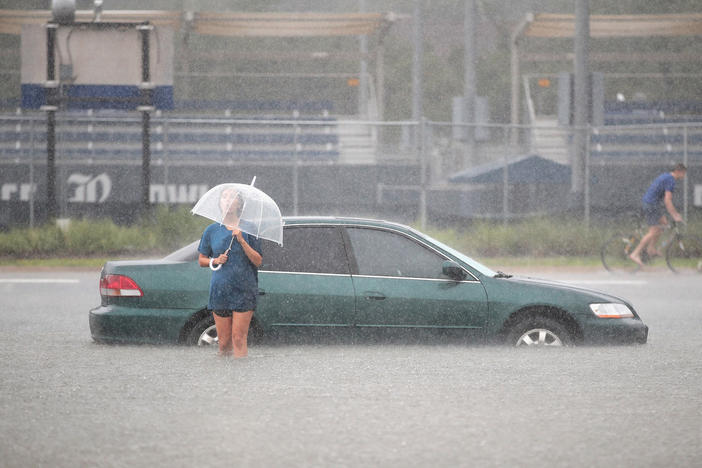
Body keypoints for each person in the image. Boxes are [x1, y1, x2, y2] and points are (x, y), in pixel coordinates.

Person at [197, 188, 262, 357]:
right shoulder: (212, 230)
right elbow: (201, 260)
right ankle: (224, 380)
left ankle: (241, 379)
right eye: (224, 197)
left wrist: (242, 240)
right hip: (220, 291)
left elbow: (258, 261)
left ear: (239, 203)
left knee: (239, 339)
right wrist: (215, 261)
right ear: (220, 203)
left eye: (232, 197)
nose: (227, 200)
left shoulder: (250, 228)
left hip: (244, 290)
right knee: (224, 343)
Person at [629, 163, 687, 267]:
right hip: (651, 205)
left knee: (664, 223)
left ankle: (651, 249)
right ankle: (635, 254)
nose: (684, 176)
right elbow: (667, 200)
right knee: (653, 232)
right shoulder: (671, 180)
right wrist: (675, 215)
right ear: (678, 171)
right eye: (683, 173)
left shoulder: (666, 176)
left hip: (651, 204)